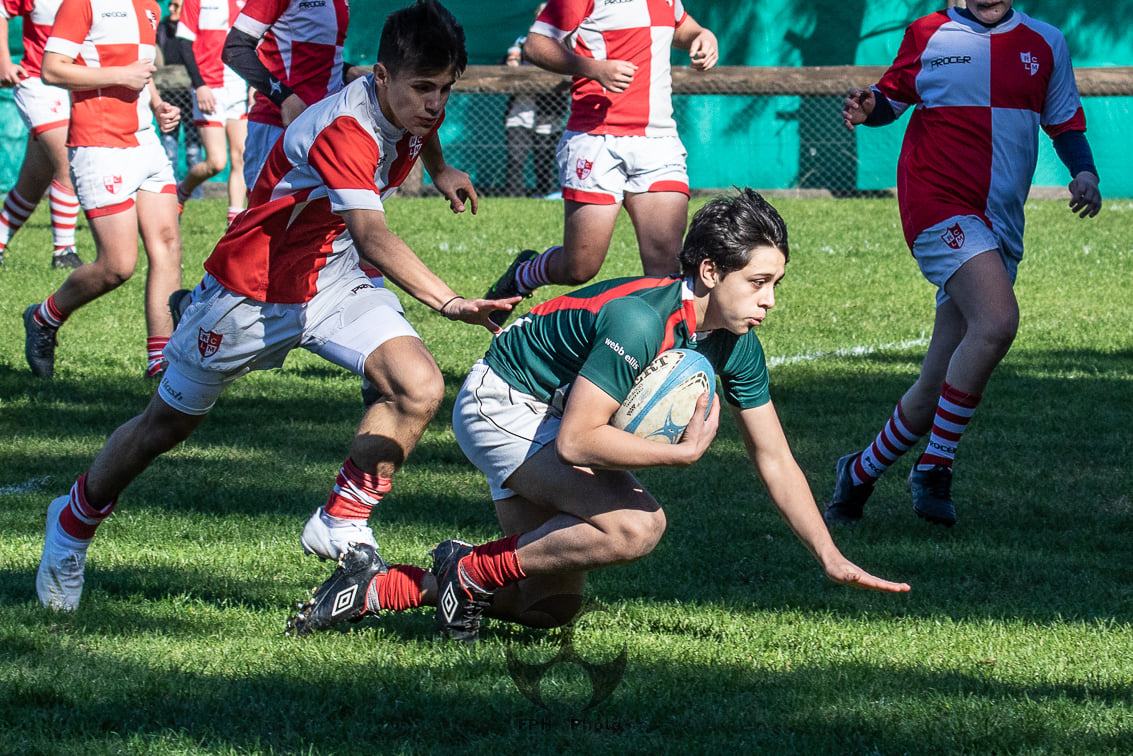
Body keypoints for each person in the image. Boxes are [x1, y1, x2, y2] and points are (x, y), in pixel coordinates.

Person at [34, 0, 519, 612]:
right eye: (423, 88)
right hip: (251, 292)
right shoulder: (345, 127)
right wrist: (448, 302)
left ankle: (340, 519)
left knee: (417, 386)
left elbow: (421, 131)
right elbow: (373, 235)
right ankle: (72, 521)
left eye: (446, 89)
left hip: (332, 278)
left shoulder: (410, 106)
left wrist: (442, 168)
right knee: (167, 425)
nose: (435, 104)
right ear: (379, 76)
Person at [290, 189, 911, 644]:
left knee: (545, 606)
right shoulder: (642, 321)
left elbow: (773, 455)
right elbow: (580, 443)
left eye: (777, 283)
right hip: (504, 403)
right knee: (636, 526)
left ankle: (374, 590)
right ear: (710, 271)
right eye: (759, 282)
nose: (770, 300)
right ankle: (471, 568)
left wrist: (828, 555)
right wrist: (681, 454)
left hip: (551, 416)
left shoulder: (737, 340)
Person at [823, 0, 1101, 529]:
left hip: (1000, 220)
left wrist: (1084, 172)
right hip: (938, 203)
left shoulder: (1046, 43)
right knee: (997, 322)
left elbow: (1064, 121)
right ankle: (935, 466)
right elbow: (891, 96)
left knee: (935, 385)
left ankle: (858, 473)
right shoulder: (929, 32)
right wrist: (868, 106)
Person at [482, 0, 719, 326]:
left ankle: (659, 358)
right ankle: (524, 274)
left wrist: (702, 35)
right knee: (580, 267)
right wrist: (594, 69)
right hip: (595, 141)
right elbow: (536, 45)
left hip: (658, 143)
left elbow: (681, 26)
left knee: (665, 268)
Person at [22, 0, 184, 380]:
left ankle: (162, 364)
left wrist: (158, 104)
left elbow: (141, 72)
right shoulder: (81, 4)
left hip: (146, 142)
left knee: (168, 244)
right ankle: (44, 316)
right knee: (117, 266)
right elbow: (51, 69)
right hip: (99, 146)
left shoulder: (149, 7)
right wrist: (119, 76)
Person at [221, 0, 368, 191]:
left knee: (331, 214)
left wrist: (349, 72)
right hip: (278, 125)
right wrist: (285, 99)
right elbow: (235, 49)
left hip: (326, 123)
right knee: (268, 216)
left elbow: (317, 54)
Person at [0, 0, 82, 269]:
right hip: (40, 83)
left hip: (80, 83)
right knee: (68, 164)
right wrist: (3, 63)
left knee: (33, 182)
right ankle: (64, 253)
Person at [173, 0, 249, 226]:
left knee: (241, 156)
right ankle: (181, 192)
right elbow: (184, 43)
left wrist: (255, 85)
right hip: (209, 88)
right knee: (216, 162)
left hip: (239, 86)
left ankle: (233, 223)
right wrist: (199, 85)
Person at [502, 4, 566, 199]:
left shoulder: (562, 44)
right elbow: (510, 65)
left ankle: (545, 194)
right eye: (540, 16)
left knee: (544, 157)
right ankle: (515, 197)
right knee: (516, 157)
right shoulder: (521, 42)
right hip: (522, 110)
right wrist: (513, 63)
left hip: (549, 112)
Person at [155, 0, 203, 192]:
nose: (171, 9)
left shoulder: (195, 31)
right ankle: (171, 191)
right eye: (171, 5)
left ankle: (195, 194)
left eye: (176, 5)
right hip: (168, 94)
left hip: (191, 96)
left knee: (193, 148)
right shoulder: (162, 30)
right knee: (169, 147)